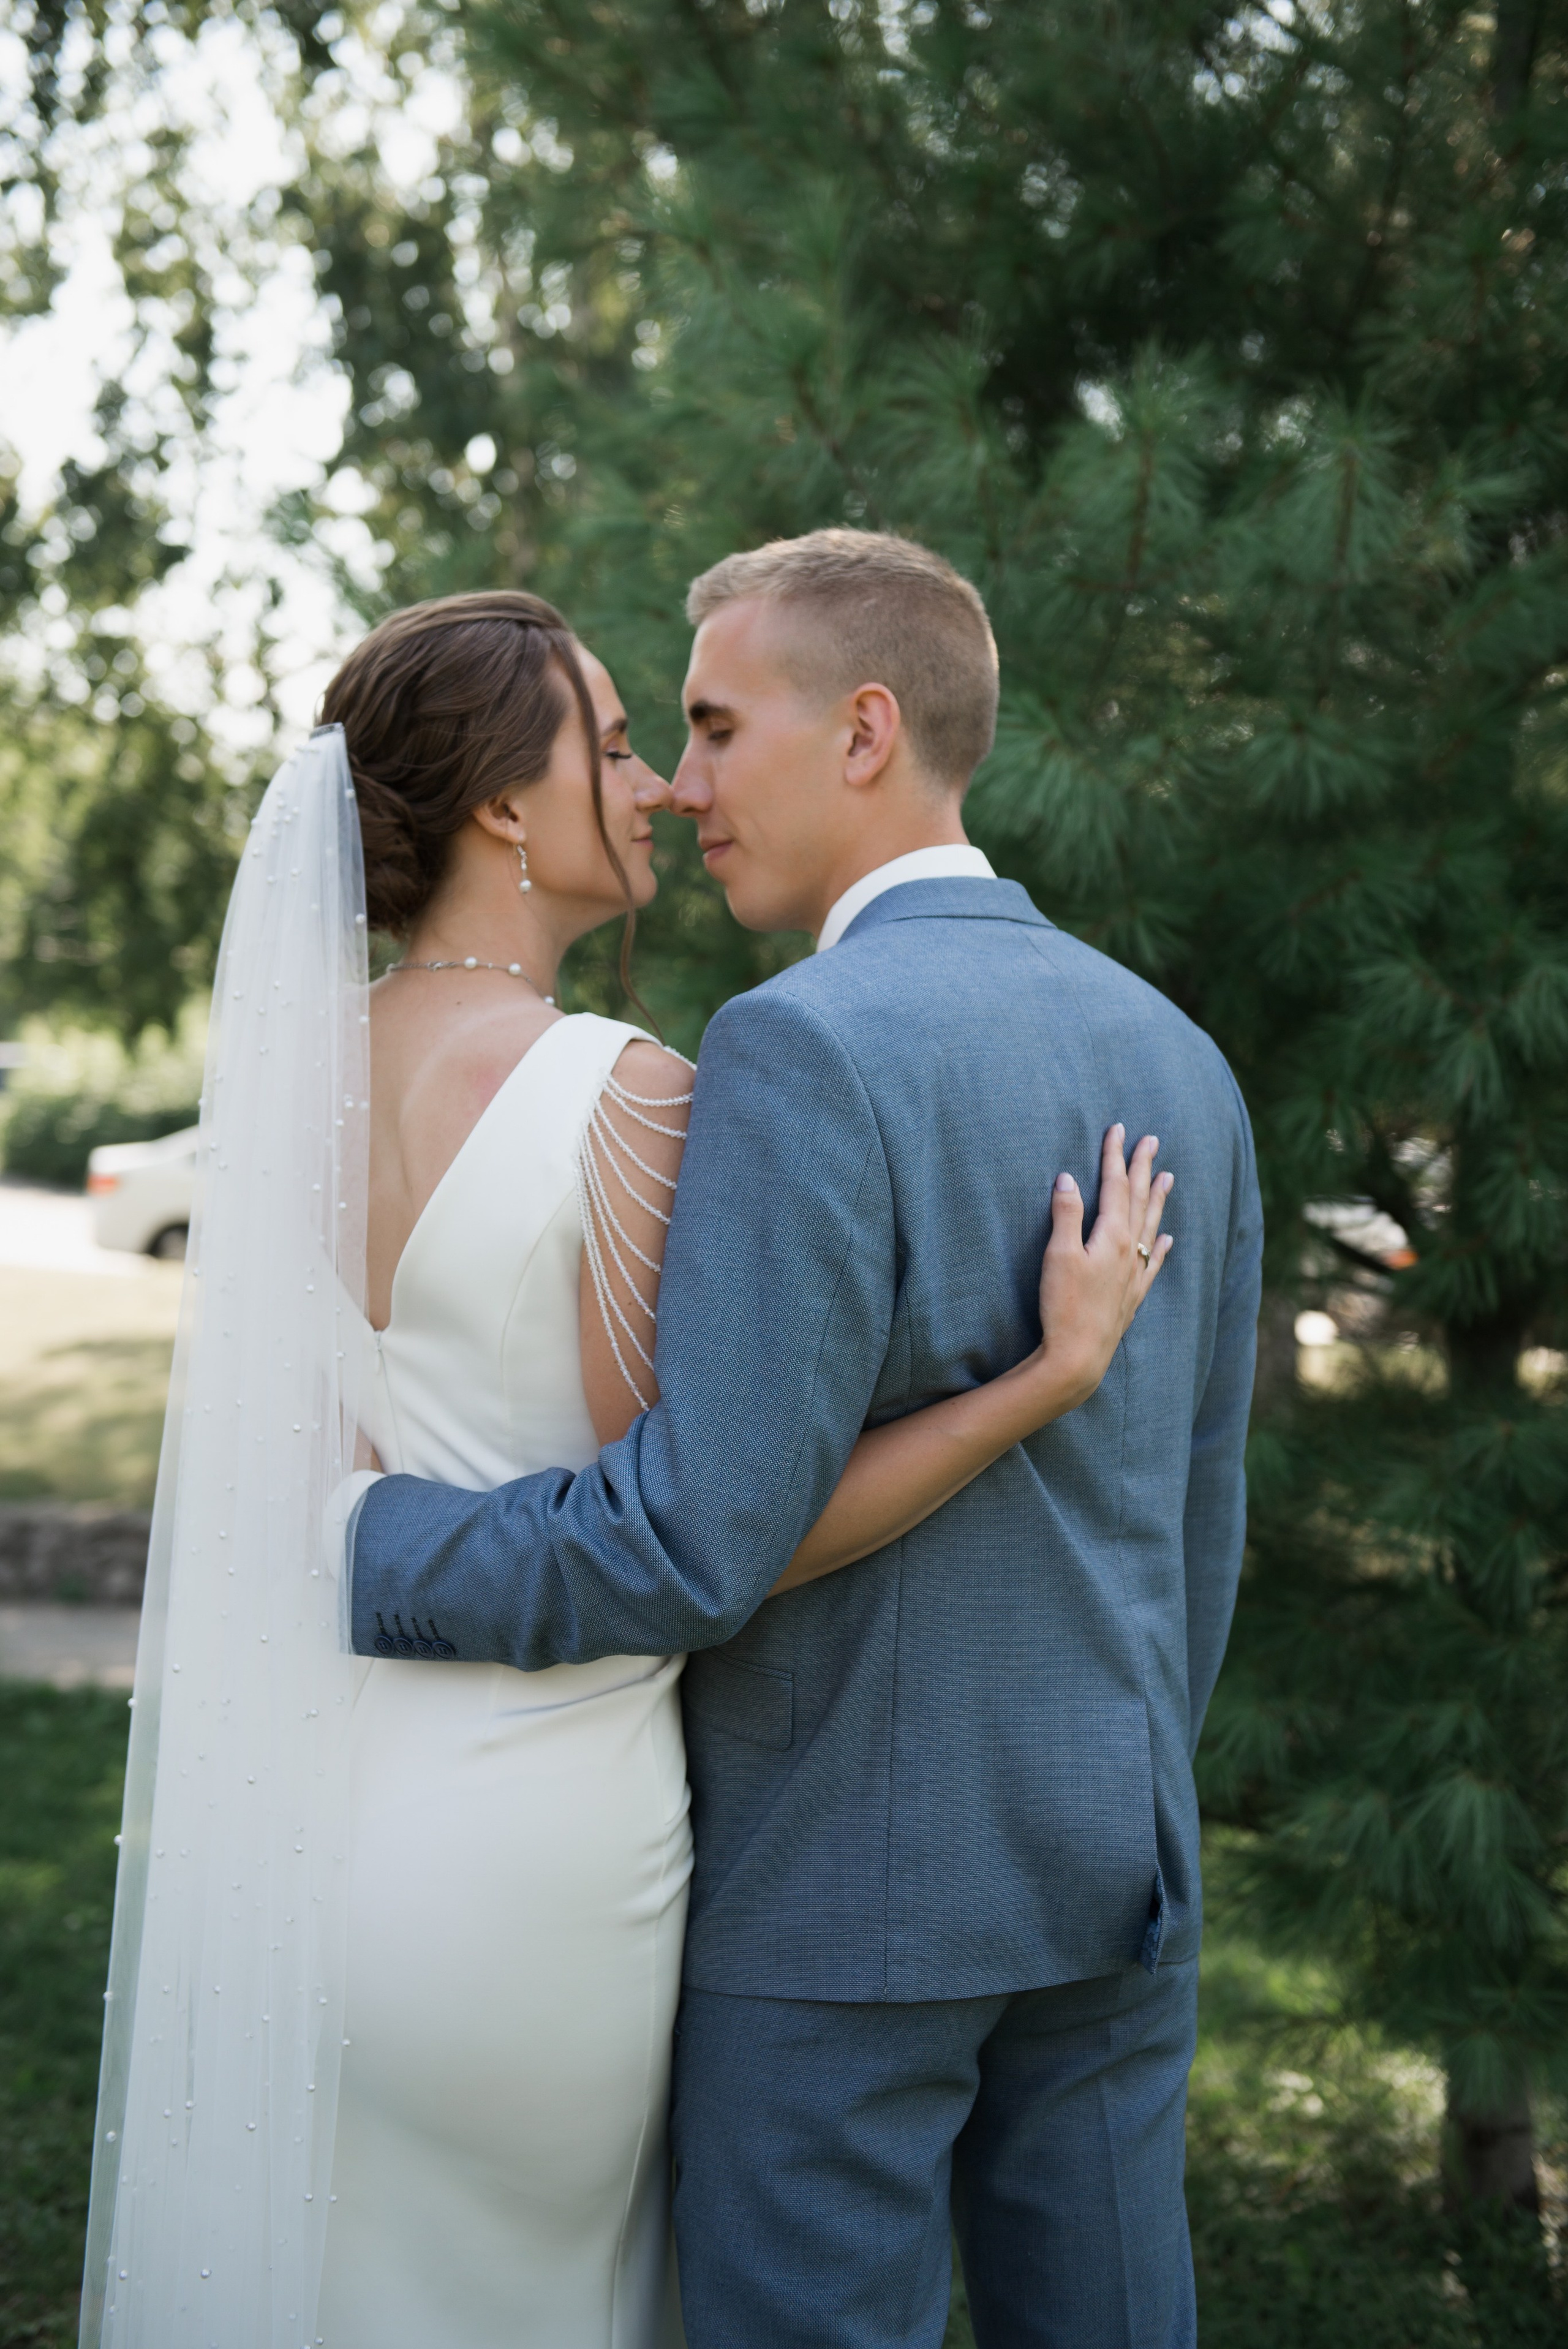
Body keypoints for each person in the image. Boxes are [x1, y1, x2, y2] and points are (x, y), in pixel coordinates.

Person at [80, 580, 1170, 2349]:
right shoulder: (626, 1091)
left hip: (321, 1820)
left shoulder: (296, 1088)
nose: (659, 781)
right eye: (609, 741)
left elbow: (328, 1472)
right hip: (542, 1839)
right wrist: (1039, 1380)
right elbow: (714, 1532)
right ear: (506, 806)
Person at [348, 533, 1264, 2349]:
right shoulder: (1181, 1058)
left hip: (840, 1899)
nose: (681, 786)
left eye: (710, 726)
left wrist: (355, 1548)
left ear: (863, 731)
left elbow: (695, 1538)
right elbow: (1201, 1512)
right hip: (1114, 1865)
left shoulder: (797, 1049)